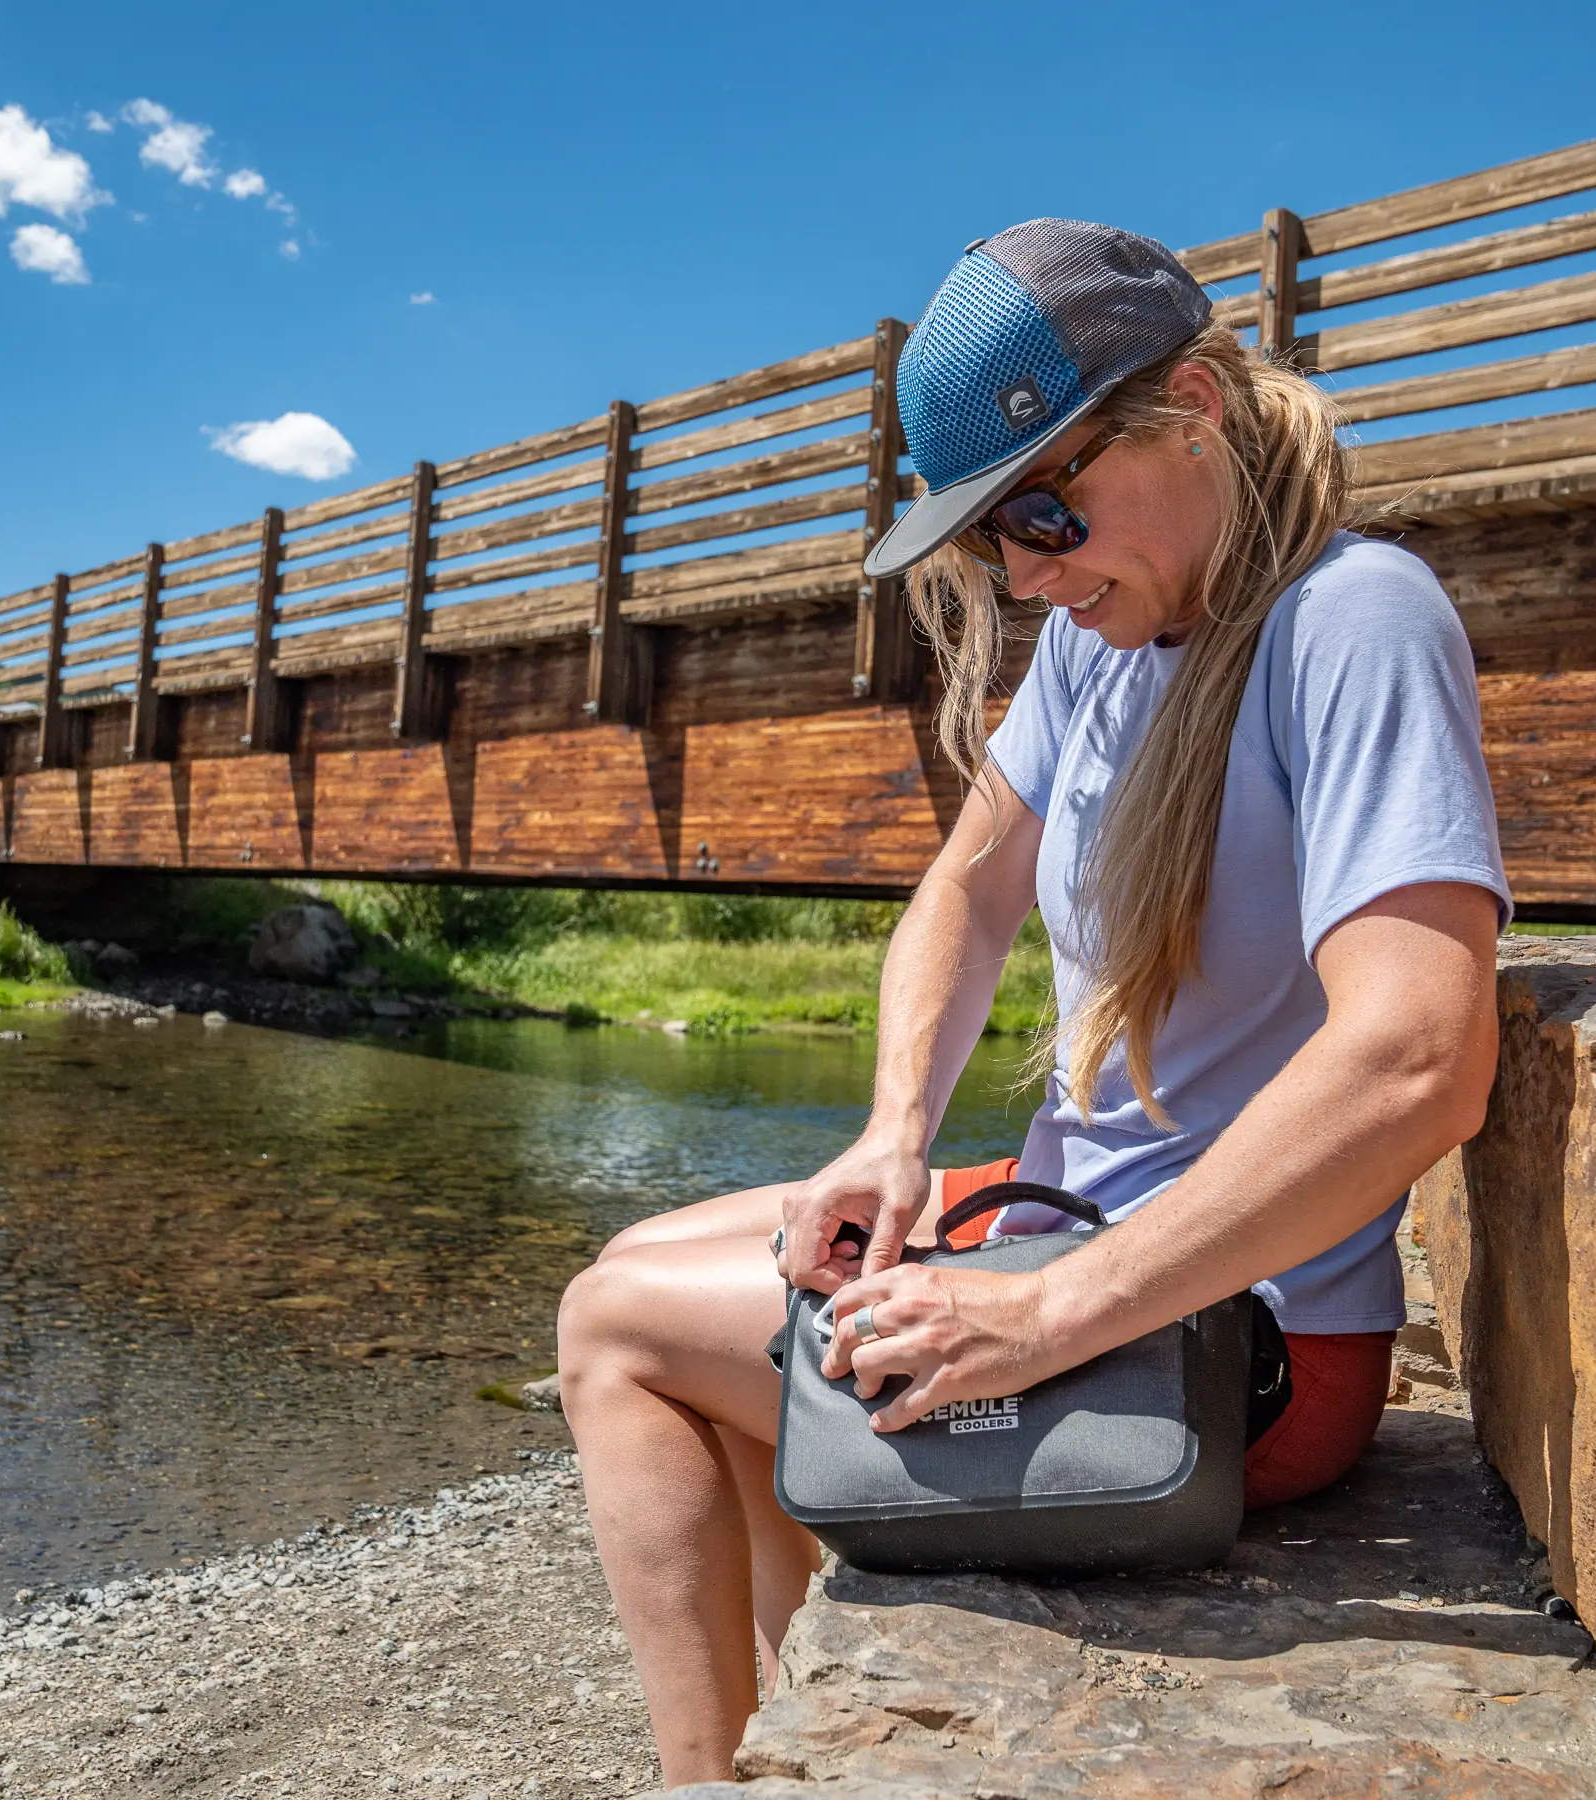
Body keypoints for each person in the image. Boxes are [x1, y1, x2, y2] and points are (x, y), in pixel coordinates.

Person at [557, 219, 1511, 1784]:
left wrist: (1047, 1310)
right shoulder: (1102, 639)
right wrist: (892, 1135)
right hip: (1080, 1229)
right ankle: (798, 1714)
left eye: (1048, 511)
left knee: (615, 1330)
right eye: (995, 538)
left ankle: (703, 1778)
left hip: (1240, 1344)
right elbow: (971, 887)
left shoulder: (1354, 618)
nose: (1028, 574)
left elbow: (1419, 1058)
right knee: (644, 1253)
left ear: (1194, 403)